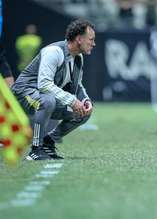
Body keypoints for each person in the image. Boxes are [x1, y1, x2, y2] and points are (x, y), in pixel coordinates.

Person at [11, 19, 96, 160]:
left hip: (42, 96)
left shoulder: (78, 57)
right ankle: (35, 149)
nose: (93, 44)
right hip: (22, 93)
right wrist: (72, 101)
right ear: (79, 39)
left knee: (83, 113)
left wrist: (85, 100)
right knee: (48, 101)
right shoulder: (54, 52)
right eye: (91, 39)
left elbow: (78, 84)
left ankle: (47, 143)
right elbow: (44, 84)